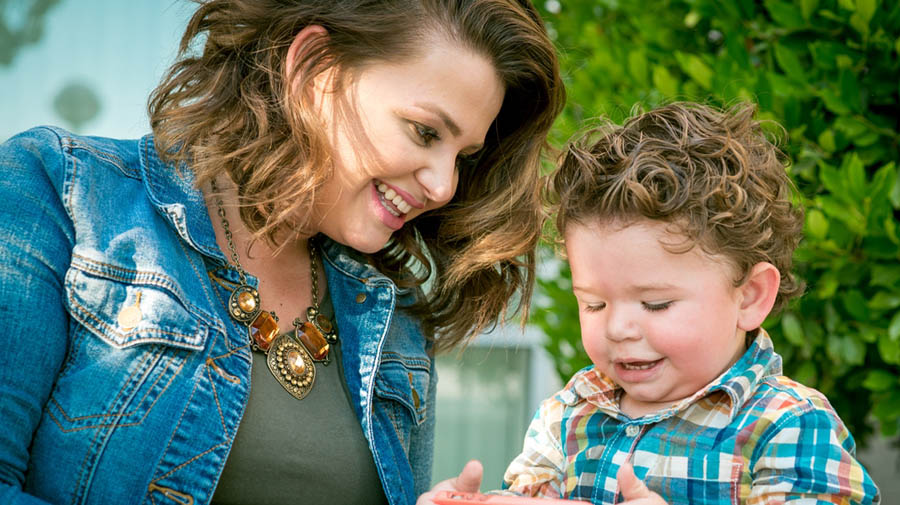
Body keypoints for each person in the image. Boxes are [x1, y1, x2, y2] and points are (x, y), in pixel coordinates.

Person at [0, 1, 565, 504]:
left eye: (463, 157)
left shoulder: (396, 316)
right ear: (313, 68)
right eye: (424, 133)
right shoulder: (64, 193)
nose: (444, 186)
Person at [493, 102, 879, 504]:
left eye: (656, 304)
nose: (616, 328)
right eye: (594, 304)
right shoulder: (566, 417)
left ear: (749, 297)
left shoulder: (786, 425)